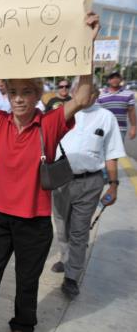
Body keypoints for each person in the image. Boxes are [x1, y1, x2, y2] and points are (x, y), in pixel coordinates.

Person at [0, 12, 100, 332]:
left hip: (34, 224)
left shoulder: (49, 124)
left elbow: (82, 96)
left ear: (37, 95)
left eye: (27, 92)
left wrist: (87, 45)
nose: (20, 99)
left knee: (26, 287)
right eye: (14, 93)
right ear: (7, 96)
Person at [51, 84, 126, 299]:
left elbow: (111, 154)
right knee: (62, 225)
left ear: (96, 94)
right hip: (61, 180)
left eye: (92, 93)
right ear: (74, 94)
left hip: (90, 183)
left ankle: (72, 276)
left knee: (79, 230)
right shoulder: (61, 113)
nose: (86, 97)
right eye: (81, 92)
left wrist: (113, 184)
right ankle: (66, 260)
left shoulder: (106, 117)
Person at [97, 72, 136, 141]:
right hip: (103, 128)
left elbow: (131, 112)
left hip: (120, 129)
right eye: (112, 78)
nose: (115, 79)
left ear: (121, 79)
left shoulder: (128, 94)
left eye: (117, 77)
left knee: (118, 151)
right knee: (102, 150)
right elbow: (96, 113)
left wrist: (133, 127)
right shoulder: (101, 94)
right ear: (108, 81)